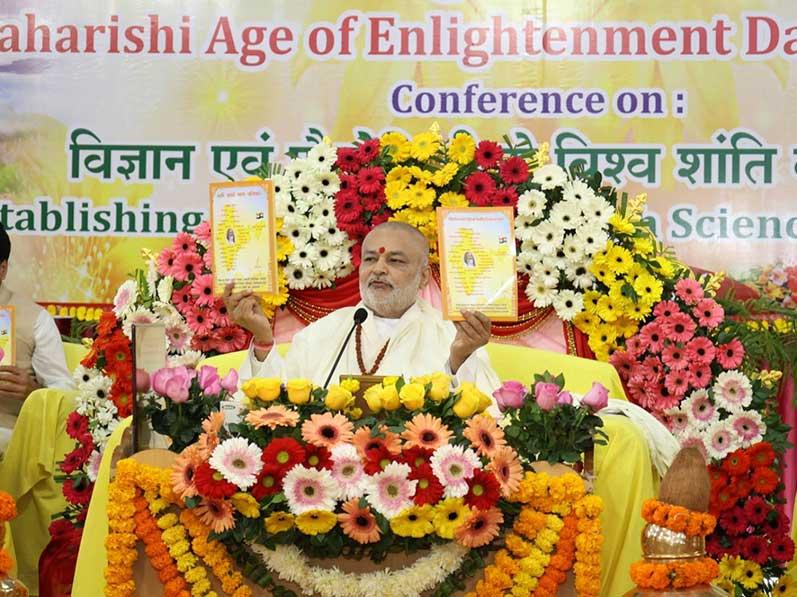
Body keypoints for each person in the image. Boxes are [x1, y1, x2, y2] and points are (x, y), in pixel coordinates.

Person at [224, 221, 500, 393]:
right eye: (370, 259)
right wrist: (262, 340)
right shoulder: (324, 332)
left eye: (396, 261)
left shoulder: (452, 336)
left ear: (424, 277)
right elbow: (276, 403)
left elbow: (483, 419)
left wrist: (458, 360)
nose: (379, 269)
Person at [0, 225, 73, 449]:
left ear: (2, 269)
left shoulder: (36, 319)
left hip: (6, 434)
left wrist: (32, 391)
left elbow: (66, 394)